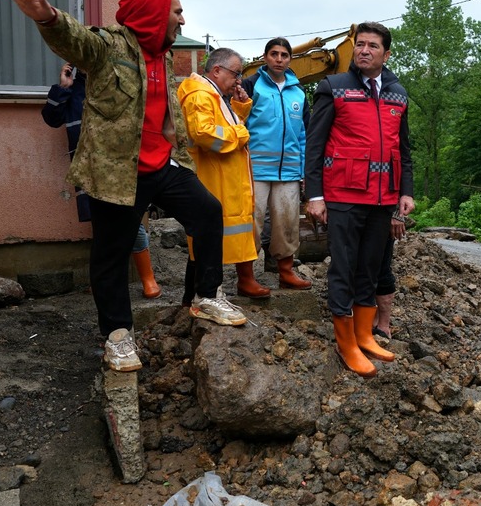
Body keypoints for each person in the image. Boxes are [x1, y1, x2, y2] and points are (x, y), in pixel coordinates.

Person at [0, 0, 245, 374]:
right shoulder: (109, 45)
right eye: (177, 12)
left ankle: (205, 295)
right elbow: (75, 40)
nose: (183, 20)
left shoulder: (164, 53)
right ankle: (116, 335)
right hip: (118, 172)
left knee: (207, 212)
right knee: (111, 254)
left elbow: (161, 104)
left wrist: (173, 135)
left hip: (163, 163)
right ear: (155, 13)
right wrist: (47, 19)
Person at [304, 22, 415, 377]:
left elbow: (404, 149)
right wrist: (315, 195)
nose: (364, 50)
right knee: (344, 268)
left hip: (383, 198)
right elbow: (315, 146)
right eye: (360, 44)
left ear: (387, 53)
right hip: (344, 195)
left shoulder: (398, 93)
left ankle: (365, 335)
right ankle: (346, 343)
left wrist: (406, 191)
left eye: (372, 46)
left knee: (369, 267)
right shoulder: (333, 87)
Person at [43, 63, 162, 299]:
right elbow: (51, 118)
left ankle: (148, 279)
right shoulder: (73, 89)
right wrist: (63, 87)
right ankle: (104, 281)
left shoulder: (116, 85)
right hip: (88, 168)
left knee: (131, 219)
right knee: (100, 223)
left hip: (120, 165)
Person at [177, 48, 270, 301]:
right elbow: (205, 134)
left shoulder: (213, 95)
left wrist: (239, 107)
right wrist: (241, 135)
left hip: (222, 177)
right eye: (236, 74)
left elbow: (222, 125)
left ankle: (199, 297)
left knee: (208, 240)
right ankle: (203, 297)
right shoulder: (200, 95)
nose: (238, 80)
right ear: (217, 71)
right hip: (214, 178)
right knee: (206, 240)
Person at [240, 38, 312, 290]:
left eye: (284, 55)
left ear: (290, 59)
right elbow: (239, 123)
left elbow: (304, 134)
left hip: (289, 172)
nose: (279, 59)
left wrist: (304, 171)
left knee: (287, 223)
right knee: (252, 222)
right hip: (255, 170)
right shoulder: (251, 86)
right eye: (274, 54)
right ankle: (246, 277)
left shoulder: (299, 92)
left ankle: (286, 272)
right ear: (265, 57)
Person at [372, 215, 407, 339]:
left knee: (382, 268)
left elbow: (403, 195)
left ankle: (384, 326)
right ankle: (372, 318)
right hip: (356, 212)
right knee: (363, 270)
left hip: (383, 213)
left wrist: (397, 215)